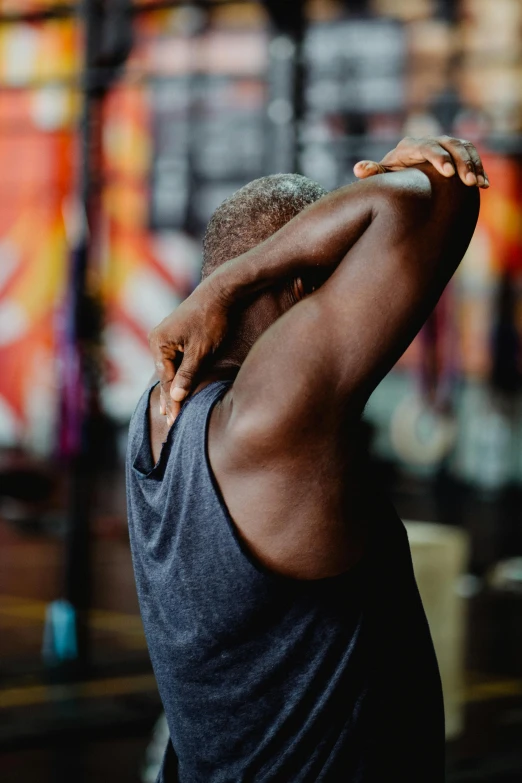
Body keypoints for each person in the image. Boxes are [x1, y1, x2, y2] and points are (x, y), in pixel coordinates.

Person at [127, 136, 486, 782]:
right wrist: (233, 282)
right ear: (301, 284)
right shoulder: (269, 419)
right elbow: (434, 197)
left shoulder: (158, 413)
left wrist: (219, 281)